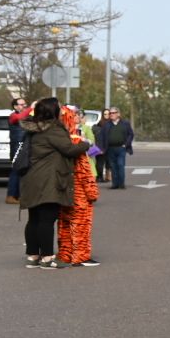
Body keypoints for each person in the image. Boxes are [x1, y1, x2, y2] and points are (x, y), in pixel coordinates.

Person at [18, 97, 91, 269]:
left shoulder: (34, 127)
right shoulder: (53, 129)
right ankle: (47, 257)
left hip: (32, 178)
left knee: (34, 218)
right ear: (53, 111)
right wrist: (85, 144)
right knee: (47, 219)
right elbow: (69, 149)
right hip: (48, 179)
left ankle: (33, 255)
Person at [55, 106, 101, 267]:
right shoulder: (76, 142)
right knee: (80, 224)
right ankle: (81, 256)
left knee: (64, 224)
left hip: (62, 188)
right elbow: (83, 171)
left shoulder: (57, 140)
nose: (76, 118)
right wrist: (92, 192)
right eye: (74, 116)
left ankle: (65, 254)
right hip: (78, 191)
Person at [102, 107, 133, 189]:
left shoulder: (125, 123)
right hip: (110, 149)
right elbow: (103, 136)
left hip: (121, 148)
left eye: (113, 113)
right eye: (110, 113)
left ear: (118, 114)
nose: (111, 115)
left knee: (120, 164)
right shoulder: (107, 124)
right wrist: (103, 148)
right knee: (113, 166)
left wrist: (126, 144)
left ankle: (121, 184)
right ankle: (115, 184)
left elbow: (131, 134)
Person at [5, 96, 29, 203]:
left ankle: (19, 195)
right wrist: (31, 108)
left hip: (23, 145)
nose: (24, 106)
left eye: (25, 104)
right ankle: (11, 195)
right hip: (17, 146)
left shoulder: (26, 116)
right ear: (15, 106)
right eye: (21, 104)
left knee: (22, 170)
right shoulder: (13, 116)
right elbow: (18, 118)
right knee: (16, 170)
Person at [92, 108, 111, 182]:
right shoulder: (99, 124)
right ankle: (99, 177)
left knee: (109, 163)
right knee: (100, 163)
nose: (107, 115)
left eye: (108, 114)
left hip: (109, 146)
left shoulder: (112, 123)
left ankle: (107, 176)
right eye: (105, 114)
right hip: (100, 146)